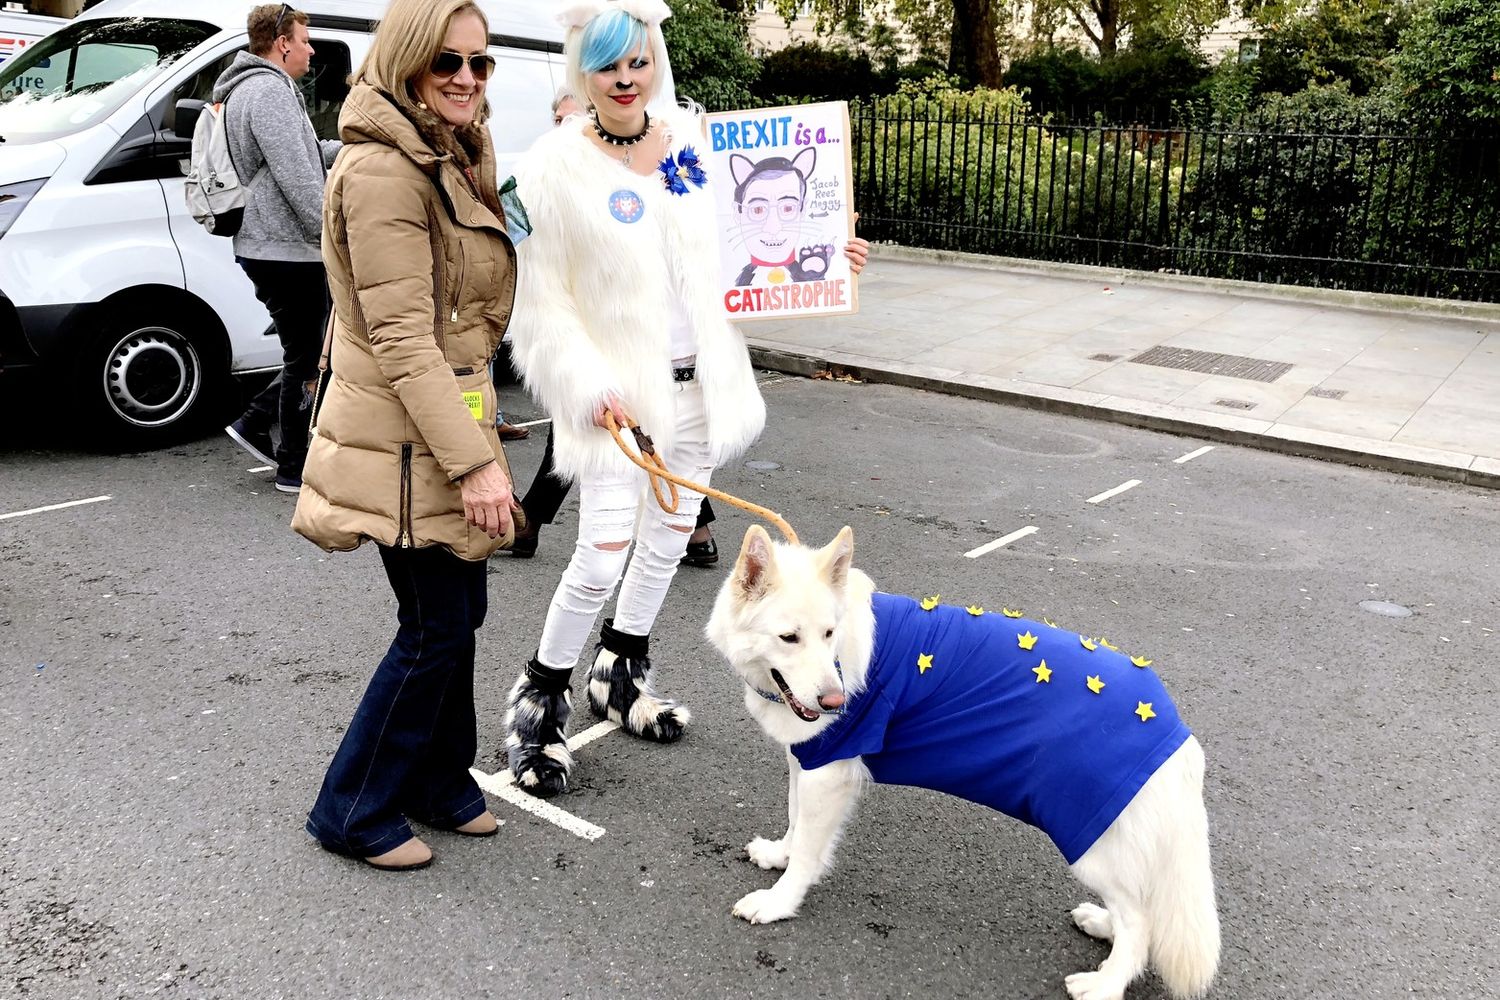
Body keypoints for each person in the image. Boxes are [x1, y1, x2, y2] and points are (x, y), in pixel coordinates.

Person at [500, 0, 866, 797]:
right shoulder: (551, 166)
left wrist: (822, 256)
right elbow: (539, 304)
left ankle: (622, 671)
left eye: (637, 61)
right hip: (616, 403)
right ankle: (539, 701)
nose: (626, 79)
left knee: (668, 536)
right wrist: (587, 387)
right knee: (598, 555)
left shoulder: (695, 148)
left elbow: (751, 254)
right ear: (580, 72)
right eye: (607, 65)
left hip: (702, 387)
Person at [292, 0, 520, 871]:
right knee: (434, 624)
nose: (466, 78)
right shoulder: (387, 172)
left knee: (459, 610)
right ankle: (350, 808)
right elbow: (402, 339)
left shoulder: (449, 154)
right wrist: (475, 468)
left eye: (479, 63)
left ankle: (438, 781)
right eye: (446, 63)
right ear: (406, 64)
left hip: (441, 420)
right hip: (402, 438)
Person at [507, 84, 868, 566]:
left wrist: (830, 252)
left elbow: (737, 270)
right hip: (607, 360)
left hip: (675, 370)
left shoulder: (668, 177)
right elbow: (544, 294)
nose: (575, 132)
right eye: (562, 122)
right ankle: (676, 530)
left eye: (579, 119)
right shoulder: (557, 179)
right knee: (599, 548)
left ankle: (681, 535)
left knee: (665, 463)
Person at [217, 4, 340, 494]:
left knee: (309, 349)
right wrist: (332, 236)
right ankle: (293, 465)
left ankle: (255, 422)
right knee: (309, 355)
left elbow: (308, 152)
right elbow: (299, 178)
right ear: (283, 42)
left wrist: (357, 143)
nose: (311, 49)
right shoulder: (268, 91)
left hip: (275, 244)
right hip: (284, 246)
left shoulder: (263, 88)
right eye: (305, 39)